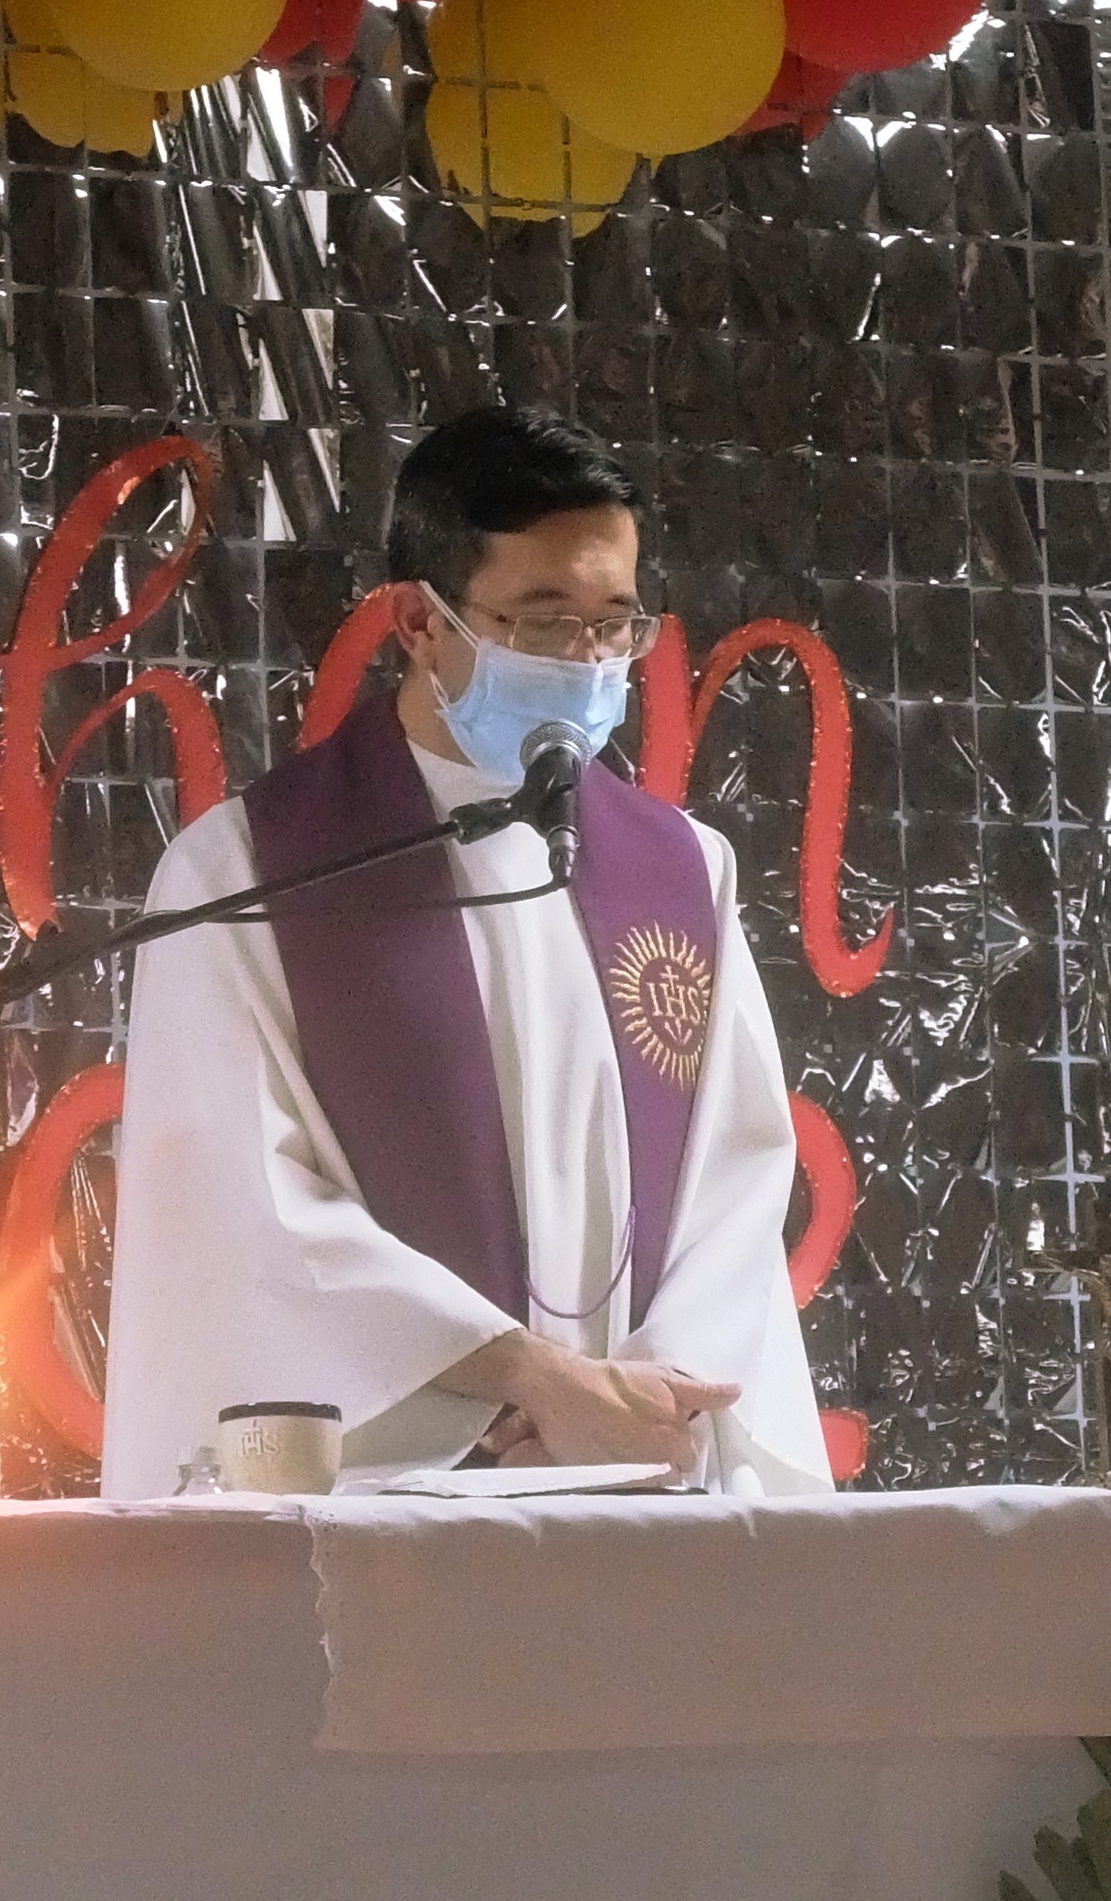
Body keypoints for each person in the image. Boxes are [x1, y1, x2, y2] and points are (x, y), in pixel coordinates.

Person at [101, 405, 830, 1498]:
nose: (585, 660)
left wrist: (634, 1400)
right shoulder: (250, 872)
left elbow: (736, 1174)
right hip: (396, 1491)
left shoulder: (681, 871)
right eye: (539, 623)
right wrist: (534, 1387)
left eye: (613, 624)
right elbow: (241, 1206)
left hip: (646, 1481)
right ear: (416, 622)